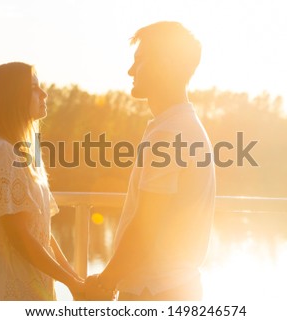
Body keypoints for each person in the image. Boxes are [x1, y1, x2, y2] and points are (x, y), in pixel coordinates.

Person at [85, 21, 216, 300]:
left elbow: (148, 223)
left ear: (165, 64)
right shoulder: (183, 124)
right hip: (176, 286)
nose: (131, 70)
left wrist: (106, 281)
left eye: (139, 60)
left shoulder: (169, 132)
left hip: (154, 291)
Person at [0, 62, 84, 300]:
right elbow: (19, 236)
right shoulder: (0, 151)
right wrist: (73, 282)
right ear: (12, 97)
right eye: (34, 88)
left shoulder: (22, 153)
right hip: (10, 284)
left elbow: (42, 234)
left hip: (34, 281)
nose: (44, 94)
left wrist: (75, 281)